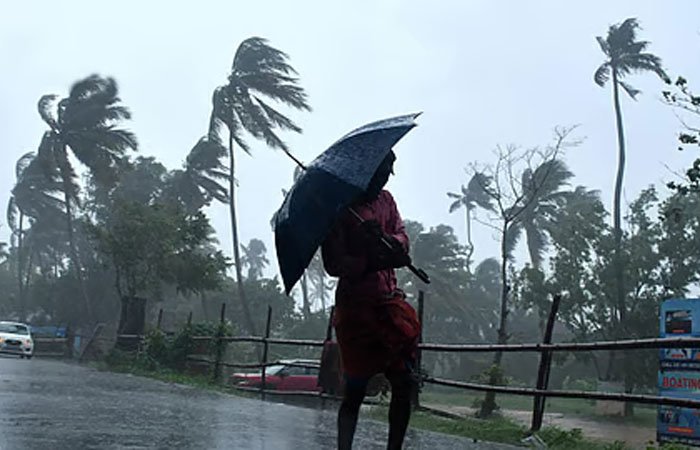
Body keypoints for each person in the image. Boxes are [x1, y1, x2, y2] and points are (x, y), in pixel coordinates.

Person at [321, 150, 420, 450]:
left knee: (404, 382)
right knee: (355, 390)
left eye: (389, 171)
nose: (385, 178)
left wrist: (388, 241)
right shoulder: (340, 208)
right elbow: (333, 264)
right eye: (381, 171)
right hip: (356, 312)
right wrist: (366, 253)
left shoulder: (387, 201)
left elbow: (402, 238)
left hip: (389, 305)